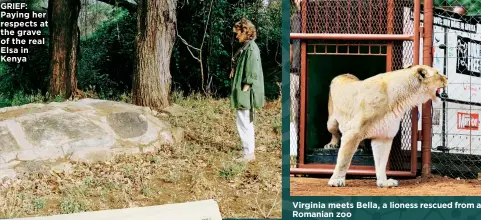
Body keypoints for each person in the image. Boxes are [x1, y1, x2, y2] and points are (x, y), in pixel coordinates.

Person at [230, 18, 265, 163]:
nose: (236, 36)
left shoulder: (251, 48)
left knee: (244, 121)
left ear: (245, 31)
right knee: (245, 121)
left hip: (246, 91)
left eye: (238, 33)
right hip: (244, 89)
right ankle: (248, 151)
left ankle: (248, 154)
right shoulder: (247, 46)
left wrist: (244, 90)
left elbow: (252, 72)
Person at [290, 0, 301, 156]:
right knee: (295, 112)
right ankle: (297, 148)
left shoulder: (317, 18)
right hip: (295, 72)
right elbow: (291, 47)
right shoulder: (293, 19)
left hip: (312, 71)